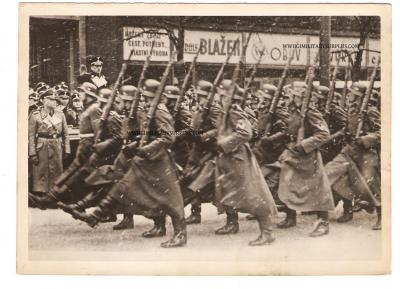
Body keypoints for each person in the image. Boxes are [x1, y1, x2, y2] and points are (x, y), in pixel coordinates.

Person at [71, 79, 188, 248]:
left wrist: (145, 149)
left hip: (159, 161)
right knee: (126, 186)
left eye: (148, 97)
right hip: (146, 160)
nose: (146, 101)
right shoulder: (149, 110)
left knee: (171, 198)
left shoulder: (159, 111)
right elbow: (146, 134)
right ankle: (98, 214)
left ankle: (180, 234)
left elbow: (168, 137)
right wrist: (135, 146)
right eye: (145, 97)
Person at [214, 83, 277, 246]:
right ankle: (232, 223)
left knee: (253, 195)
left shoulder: (234, 111)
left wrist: (225, 143)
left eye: (221, 95)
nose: (218, 97)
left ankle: (267, 233)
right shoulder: (224, 111)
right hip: (229, 158)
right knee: (230, 192)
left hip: (238, 158)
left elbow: (246, 132)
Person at [276, 83, 334, 237]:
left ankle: (323, 223)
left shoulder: (310, 111)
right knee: (287, 183)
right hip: (293, 153)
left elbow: (323, 133)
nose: (288, 95)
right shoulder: (293, 110)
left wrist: (304, 144)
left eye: (291, 93)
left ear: (298, 95)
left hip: (308, 156)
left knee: (317, 189)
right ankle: (290, 216)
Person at [324, 82, 381, 230]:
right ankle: (348, 208)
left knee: (370, 183)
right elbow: (347, 129)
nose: (349, 96)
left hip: (366, 152)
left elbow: (383, 132)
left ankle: (382, 216)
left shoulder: (370, 111)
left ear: (359, 97)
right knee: (330, 172)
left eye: (352, 94)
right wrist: (332, 137)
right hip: (349, 150)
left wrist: (365, 139)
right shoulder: (352, 109)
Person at [183, 80, 223, 225]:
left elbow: (219, 129)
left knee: (201, 182)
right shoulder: (200, 108)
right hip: (197, 150)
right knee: (191, 179)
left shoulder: (214, 110)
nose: (199, 98)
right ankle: (195, 213)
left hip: (209, 150)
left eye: (202, 96)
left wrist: (203, 136)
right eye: (198, 95)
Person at [28, 88, 70, 196]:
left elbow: (65, 133)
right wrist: (32, 153)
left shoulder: (60, 114)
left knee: (57, 170)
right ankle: (42, 194)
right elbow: (31, 136)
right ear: (42, 100)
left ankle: (54, 196)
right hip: (42, 146)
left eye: (55, 99)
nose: (54, 101)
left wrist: (67, 149)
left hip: (57, 145)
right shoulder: (35, 115)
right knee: (42, 170)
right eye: (50, 99)